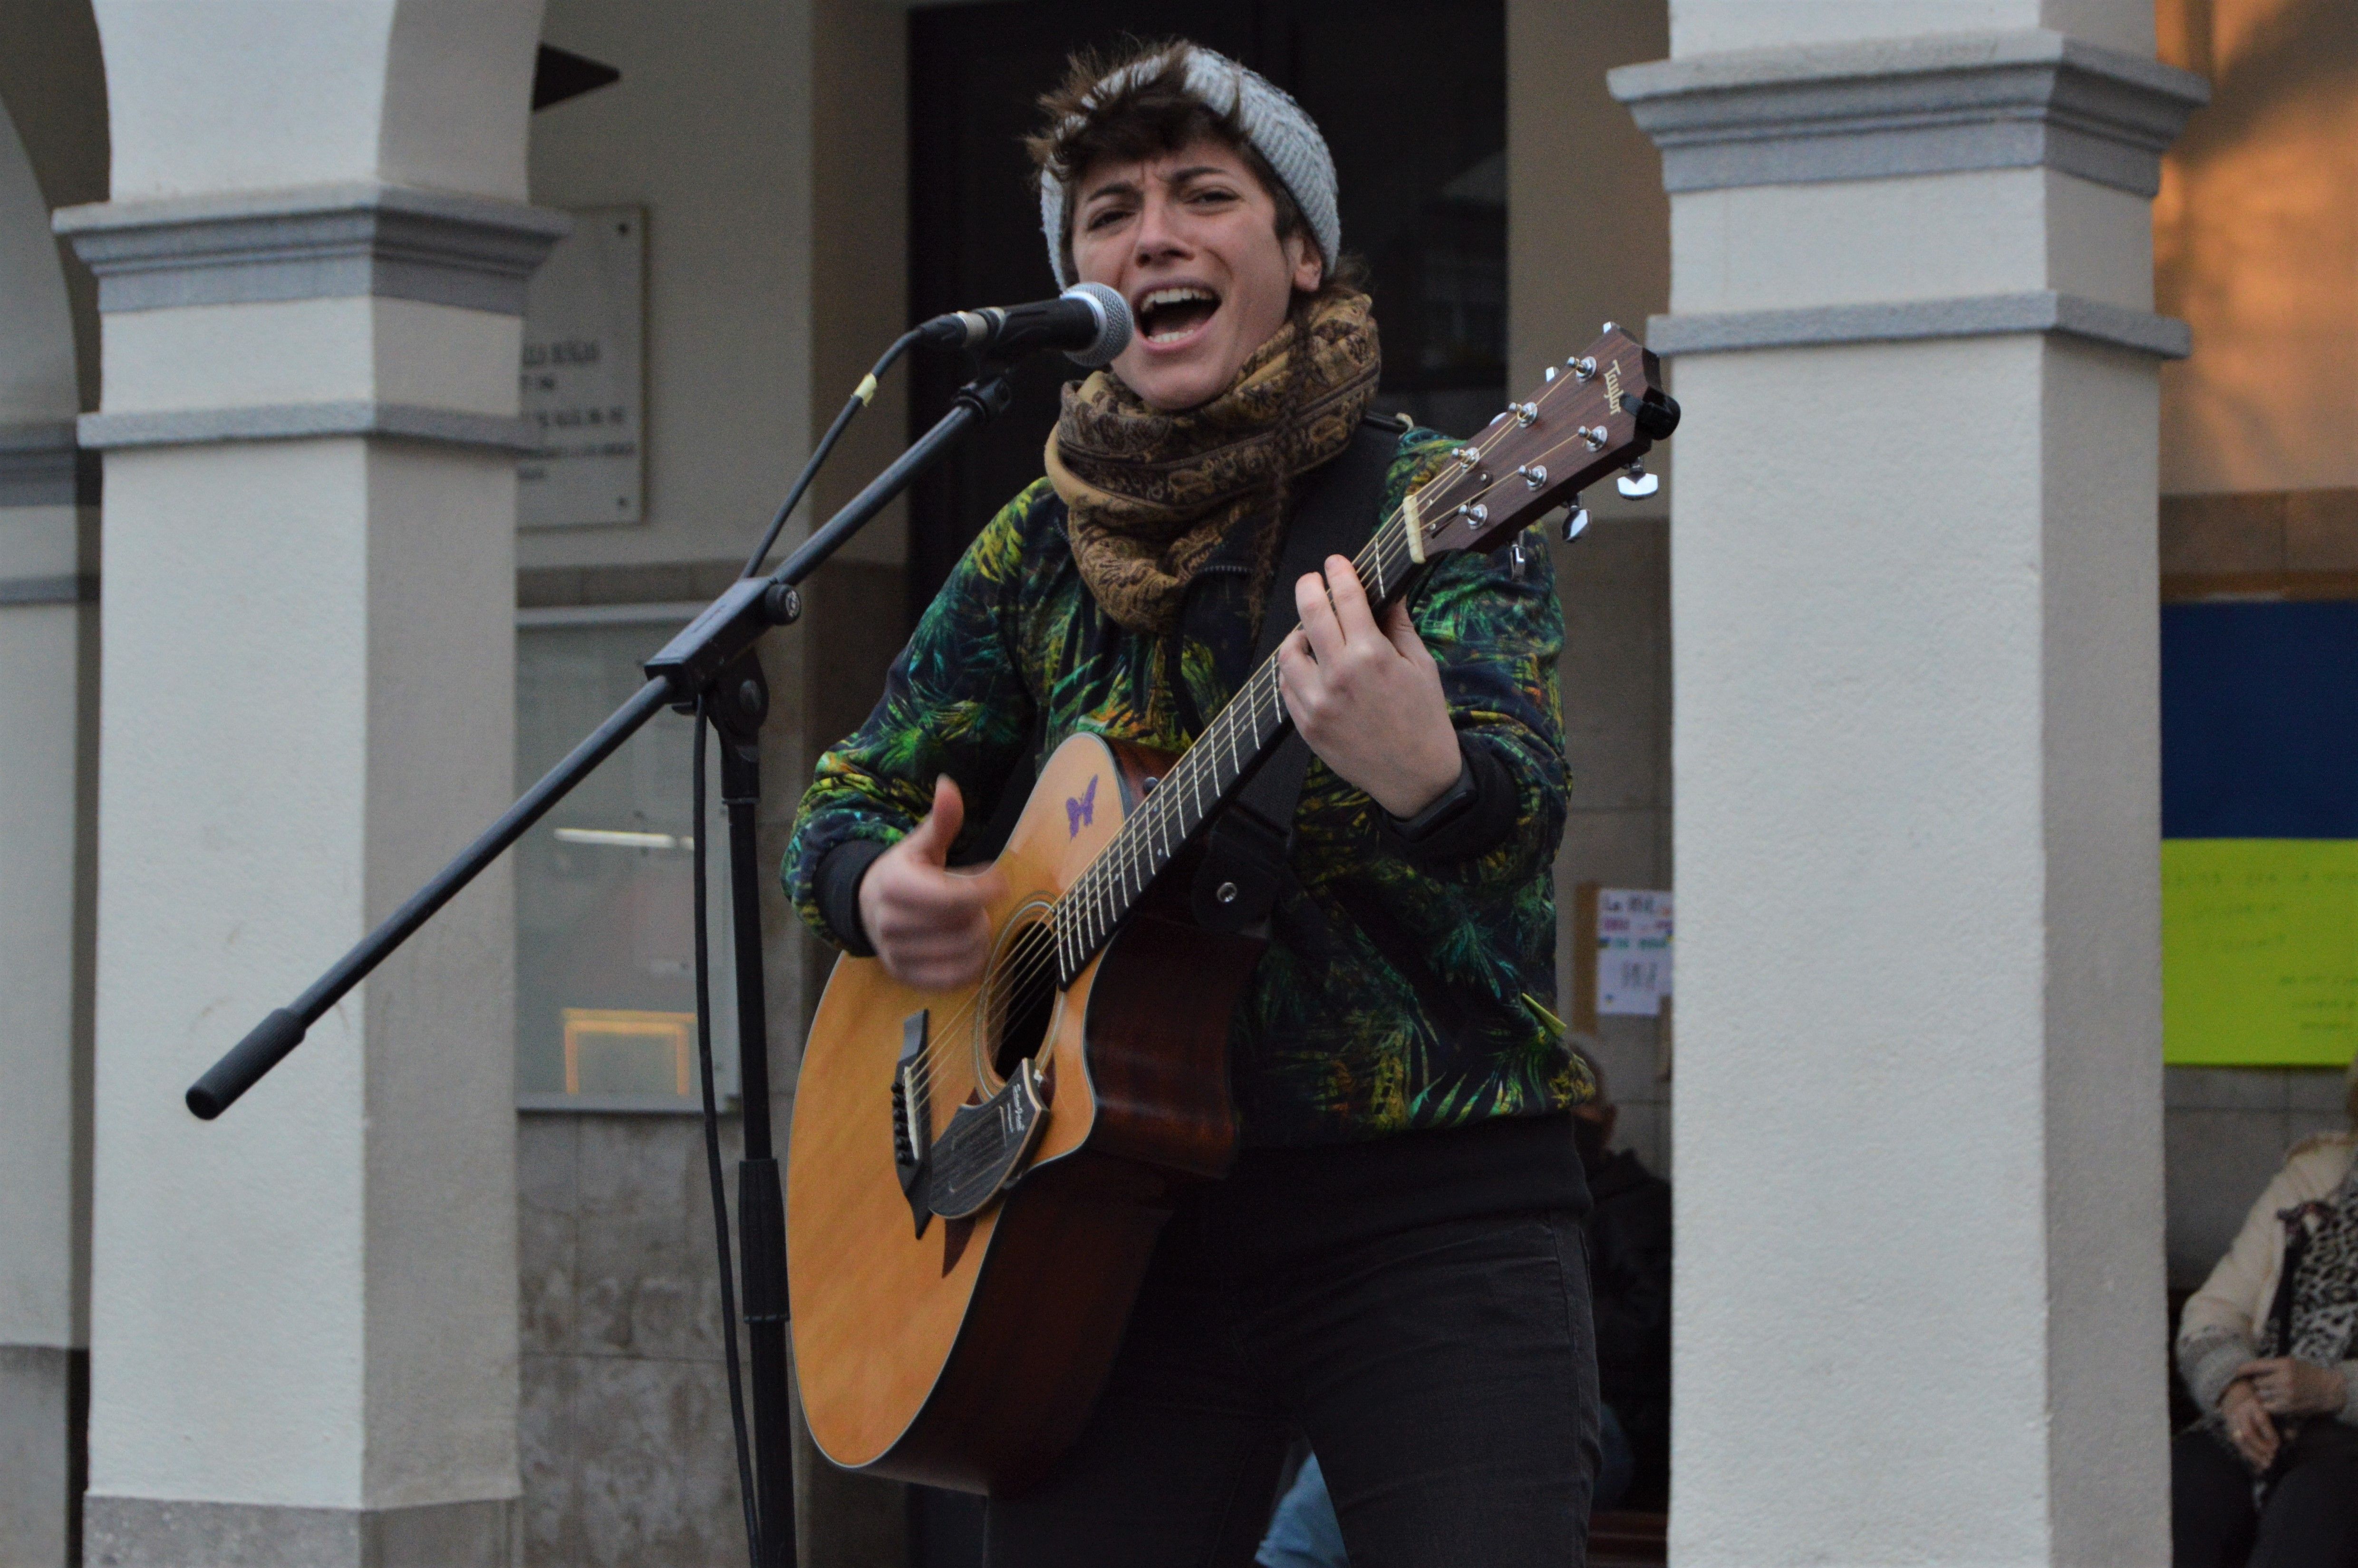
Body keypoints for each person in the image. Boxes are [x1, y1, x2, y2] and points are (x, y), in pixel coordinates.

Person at [783, 40, 1598, 1567]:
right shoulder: (1036, 539)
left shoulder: (1440, 500)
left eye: (1201, 195)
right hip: (1101, 1233)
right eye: (1105, 211)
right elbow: (849, 794)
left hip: (1424, 1205)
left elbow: (1522, 800)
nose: (1146, 233)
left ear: (1299, 251)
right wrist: (871, 889)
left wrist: (1428, 768)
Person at [1251, 1049, 1669, 1567]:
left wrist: (1543, 1305)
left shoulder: (1636, 1209)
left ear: (1607, 1122)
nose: (1566, 1128)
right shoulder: (1492, 1200)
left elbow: (1650, 1333)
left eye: (1577, 1110)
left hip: (1611, 1413)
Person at [2172, 1051, 2358, 1568]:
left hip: (2345, 1440)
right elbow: (2215, 1310)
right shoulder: (2313, 1179)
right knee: (2188, 1483)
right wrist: (2233, 1391)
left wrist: (2334, 1388)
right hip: (2271, 1422)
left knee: (2316, 1506)